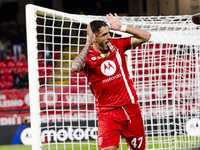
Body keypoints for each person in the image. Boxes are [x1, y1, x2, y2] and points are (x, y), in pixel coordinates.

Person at [72, 13, 151, 150]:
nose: (109, 37)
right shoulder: (88, 56)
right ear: (95, 37)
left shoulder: (117, 45)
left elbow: (146, 36)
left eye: (109, 33)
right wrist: (87, 43)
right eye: (104, 35)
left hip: (130, 108)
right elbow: (75, 67)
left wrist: (122, 27)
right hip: (107, 113)